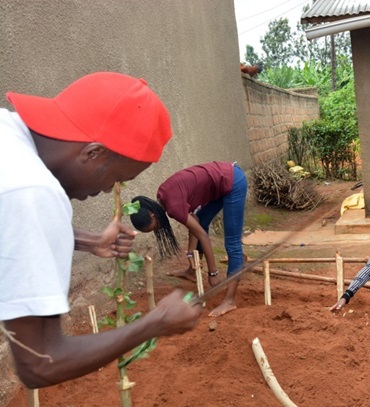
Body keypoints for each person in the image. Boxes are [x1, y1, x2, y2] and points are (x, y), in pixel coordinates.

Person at [0, 72, 203, 389]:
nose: (109, 190)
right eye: (115, 178)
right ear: (93, 153)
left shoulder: (8, 136)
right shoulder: (33, 191)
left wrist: (88, 240)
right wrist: (154, 323)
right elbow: (39, 363)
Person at [130, 161, 247, 318]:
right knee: (202, 221)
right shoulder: (162, 197)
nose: (157, 230)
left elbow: (202, 235)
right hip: (222, 181)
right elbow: (195, 222)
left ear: (152, 215)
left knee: (232, 244)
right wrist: (191, 253)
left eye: (153, 227)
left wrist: (213, 273)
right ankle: (192, 271)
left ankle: (230, 300)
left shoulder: (173, 208)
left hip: (233, 181)